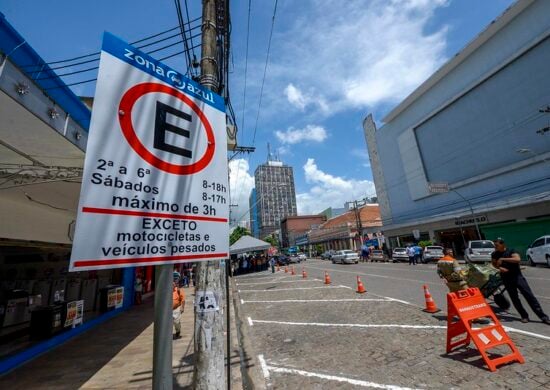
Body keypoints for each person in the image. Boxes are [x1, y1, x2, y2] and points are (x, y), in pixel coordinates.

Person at [492, 239, 550, 325]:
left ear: (503, 245)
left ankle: (543, 317)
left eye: (497, 245)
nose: (495, 247)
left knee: (529, 296)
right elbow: (494, 264)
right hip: (506, 278)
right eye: (494, 245)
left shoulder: (511, 251)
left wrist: (503, 258)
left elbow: (517, 259)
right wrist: (500, 268)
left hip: (517, 277)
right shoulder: (494, 254)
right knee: (514, 298)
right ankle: (524, 316)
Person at [172, 272, 186, 339]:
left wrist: (182, 307)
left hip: (176, 309)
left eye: (174, 283)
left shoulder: (178, 290)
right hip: (168, 310)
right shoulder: (166, 291)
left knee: (176, 322)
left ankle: (178, 330)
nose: (173, 284)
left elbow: (183, 299)